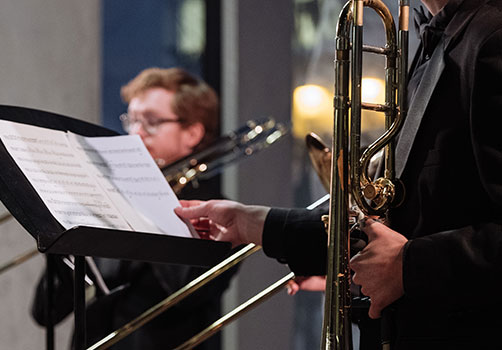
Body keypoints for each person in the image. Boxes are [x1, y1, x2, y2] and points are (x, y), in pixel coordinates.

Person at [176, 0, 502, 348]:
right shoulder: (435, 38)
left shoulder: (492, 35)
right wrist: (250, 223)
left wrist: (410, 266)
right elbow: (388, 225)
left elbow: (403, 254)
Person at [31, 67, 236, 350]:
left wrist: (148, 203)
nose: (135, 133)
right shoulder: (111, 199)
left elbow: (186, 296)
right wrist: (62, 228)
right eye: (132, 121)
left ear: (192, 133)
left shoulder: (220, 215)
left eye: (151, 122)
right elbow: (47, 311)